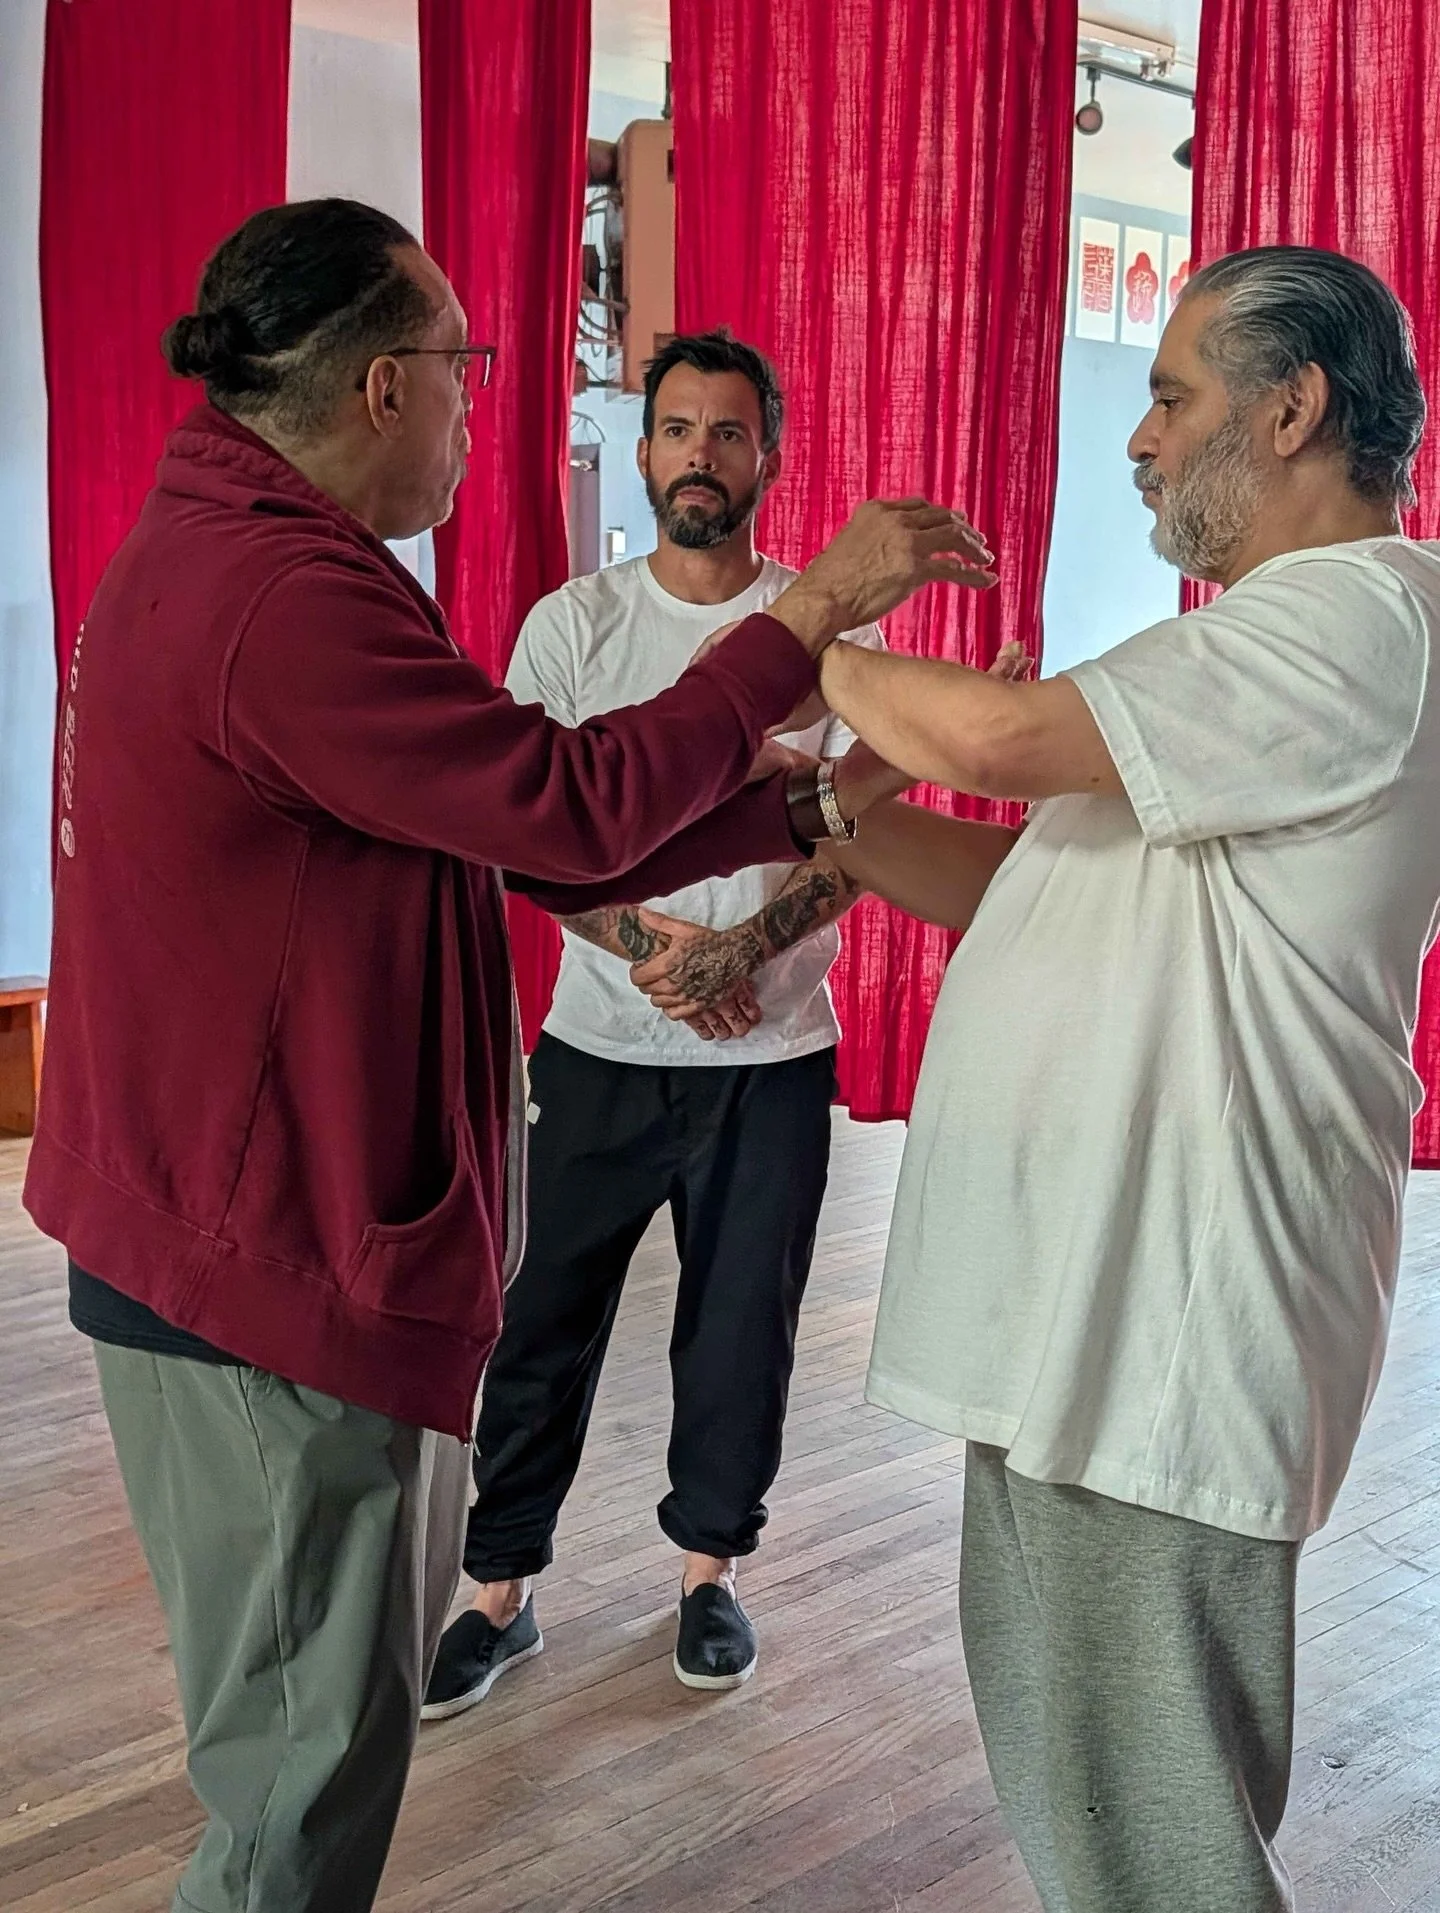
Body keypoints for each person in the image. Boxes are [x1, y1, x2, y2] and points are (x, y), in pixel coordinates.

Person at [23, 197, 991, 1913]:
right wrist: (821, 614)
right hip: (257, 1259)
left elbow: (504, 821)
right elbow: (560, 807)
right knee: (300, 1783)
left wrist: (796, 811)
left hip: (248, 1223)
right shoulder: (283, 595)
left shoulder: (245, 551)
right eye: (467, 367)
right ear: (384, 386)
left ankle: (698, 1565)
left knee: (320, 1737)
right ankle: (506, 1584)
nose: (483, 405)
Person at [809, 246, 1440, 1910]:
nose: (1142, 441)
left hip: (1171, 1333)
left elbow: (1001, 743)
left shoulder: (1364, 613)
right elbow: (1025, 877)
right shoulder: (1260, 658)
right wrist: (832, 821)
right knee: (1096, 1813)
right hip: (1090, 1322)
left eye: (1171, 396)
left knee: (1154, 1852)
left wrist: (803, 631)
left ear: (1293, 411)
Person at [421, 330, 886, 1716]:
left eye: (727, 432)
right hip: (597, 1052)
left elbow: (859, 831)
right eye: (678, 429)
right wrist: (653, 947)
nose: (700, 454)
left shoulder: (828, 634)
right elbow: (524, 835)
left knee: (742, 1332)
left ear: (768, 458)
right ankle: (498, 1590)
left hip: (771, 1058)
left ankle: (708, 1575)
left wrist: (749, 946)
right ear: (643, 453)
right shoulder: (572, 628)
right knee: (539, 1322)